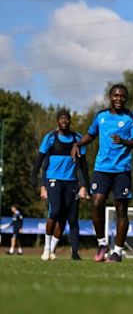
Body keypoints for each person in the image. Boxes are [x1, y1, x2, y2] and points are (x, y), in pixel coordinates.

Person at [71, 84, 133, 263]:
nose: (119, 99)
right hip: (101, 169)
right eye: (116, 96)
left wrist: (124, 141)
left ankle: (117, 252)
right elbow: (91, 134)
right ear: (110, 97)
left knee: (121, 209)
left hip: (122, 171)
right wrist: (78, 144)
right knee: (96, 203)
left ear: (126, 98)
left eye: (122, 96)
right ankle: (102, 243)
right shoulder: (100, 116)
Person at [32, 108, 89, 261]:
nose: (64, 121)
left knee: (65, 219)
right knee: (55, 211)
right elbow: (39, 161)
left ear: (70, 121)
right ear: (57, 121)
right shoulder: (50, 138)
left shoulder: (77, 138)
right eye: (61, 118)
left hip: (71, 183)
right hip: (53, 180)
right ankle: (46, 249)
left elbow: (83, 165)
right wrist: (37, 183)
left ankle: (52, 250)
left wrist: (85, 186)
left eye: (67, 118)